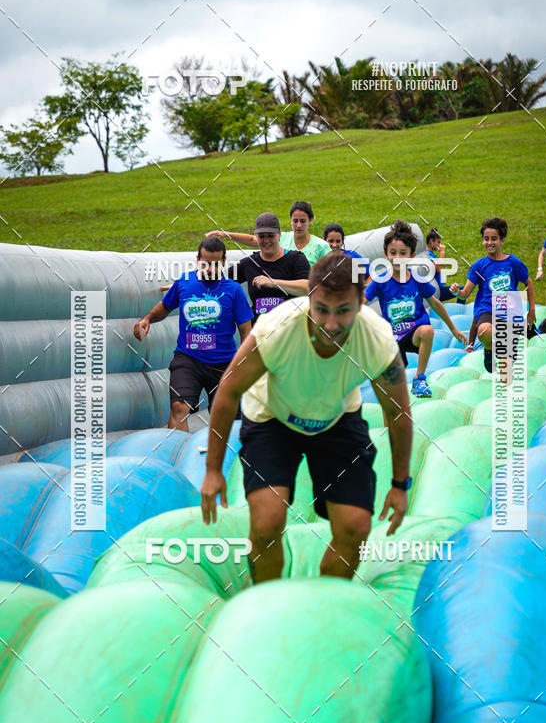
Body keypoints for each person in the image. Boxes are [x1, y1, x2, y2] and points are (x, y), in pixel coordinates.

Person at [200, 252, 413, 583]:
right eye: (321, 310)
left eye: (343, 311)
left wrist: (400, 484)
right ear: (309, 300)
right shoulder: (277, 328)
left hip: (335, 418)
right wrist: (213, 469)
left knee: (356, 527)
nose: (330, 324)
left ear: (360, 304)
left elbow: (398, 413)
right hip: (272, 417)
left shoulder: (377, 339)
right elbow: (228, 390)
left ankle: (325, 600)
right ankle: (264, 597)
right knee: (267, 522)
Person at [133, 237, 253, 431]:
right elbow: (165, 306)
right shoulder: (184, 282)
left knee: (227, 417)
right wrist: (147, 319)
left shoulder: (234, 290)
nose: (210, 269)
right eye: (206, 263)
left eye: (216, 264)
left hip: (223, 363)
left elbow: (246, 330)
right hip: (188, 359)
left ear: (223, 262)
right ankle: (179, 455)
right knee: (179, 407)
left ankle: (226, 457)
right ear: (197, 259)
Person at [365, 221, 467, 398]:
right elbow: (360, 302)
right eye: (393, 253)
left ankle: (420, 378)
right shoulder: (380, 280)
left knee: (427, 331)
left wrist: (453, 328)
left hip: (414, 333)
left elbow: (435, 303)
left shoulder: (417, 279)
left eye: (403, 253)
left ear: (412, 255)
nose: (398, 257)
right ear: (385, 254)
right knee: (393, 384)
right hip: (392, 337)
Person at [450, 217, 535, 374]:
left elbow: (528, 283)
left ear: (502, 240)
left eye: (493, 239)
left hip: (509, 311)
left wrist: (531, 311)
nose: (489, 242)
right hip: (487, 310)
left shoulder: (513, 262)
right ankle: (489, 348)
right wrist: (457, 291)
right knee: (484, 330)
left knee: (505, 370)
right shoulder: (479, 266)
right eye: (486, 239)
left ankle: (505, 347)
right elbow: (465, 292)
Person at [228, 212, 309, 319]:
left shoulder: (296, 259)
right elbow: (220, 280)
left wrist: (273, 282)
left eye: (271, 235)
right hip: (259, 331)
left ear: (279, 235)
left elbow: (308, 288)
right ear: (256, 237)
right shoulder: (249, 263)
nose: (266, 240)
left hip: (289, 330)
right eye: (261, 236)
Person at [206, 201, 330, 264]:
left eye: (303, 221)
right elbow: (254, 240)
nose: (298, 225)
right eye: (295, 221)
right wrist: (225, 234)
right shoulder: (282, 237)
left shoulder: (321, 246)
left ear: (310, 221)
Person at [425, 228, 465, 304]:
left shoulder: (430, 254)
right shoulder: (427, 254)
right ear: (431, 241)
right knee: (461, 290)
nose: (439, 245)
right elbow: (438, 269)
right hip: (435, 290)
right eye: (438, 242)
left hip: (437, 289)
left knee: (460, 290)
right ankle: (460, 309)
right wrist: (442, 252)